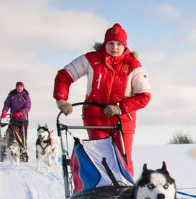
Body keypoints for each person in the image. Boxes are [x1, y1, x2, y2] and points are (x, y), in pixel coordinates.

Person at [53, 23, 150, 175]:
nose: (115, 47)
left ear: (125, 46)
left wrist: (120, 108)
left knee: (123, 160)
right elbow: (64, 76)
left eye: (119, 44)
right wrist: (61, 99)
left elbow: (144, 96)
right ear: (104, 44)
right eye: (110, 43)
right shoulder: (91, 59)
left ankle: (125, 195)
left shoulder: (133, 65)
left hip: (123, 119)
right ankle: (101, 194)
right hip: (95, 117)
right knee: (101, 159)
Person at [0, 80, 32, 161]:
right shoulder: (12, 95)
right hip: (13, 119)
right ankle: (9, 150)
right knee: (12, 135)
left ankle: (23, 151)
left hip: (23, 120)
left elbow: (28, 107)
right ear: (16, 87)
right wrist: (4, 111)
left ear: (23, 87)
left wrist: (21, 113)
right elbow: (7, 104)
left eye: (21, 86)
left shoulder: (26, 96)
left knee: (23, 137)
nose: (19, 88)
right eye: (18, 86)